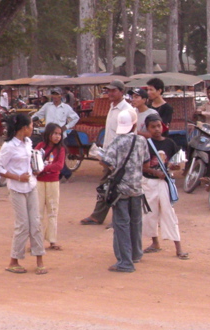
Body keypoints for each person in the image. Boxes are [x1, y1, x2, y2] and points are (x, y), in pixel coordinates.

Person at [0, 113, 46, 274]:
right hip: (16, 188)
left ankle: (39, 259)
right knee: (23, 225)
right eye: (31, 126)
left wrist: (34, 170)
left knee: (35, 223)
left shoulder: (28, 143)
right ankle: (14, 260)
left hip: (30, 186)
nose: (33, 129)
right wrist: (18, 177)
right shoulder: (9, 146)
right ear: (24, 128)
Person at [80, 81, 137, 225]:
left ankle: (116, 218)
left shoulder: (127, 110)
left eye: (113, 91)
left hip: (120, 157)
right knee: (107, 185)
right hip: (109, 154)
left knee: (116, 187)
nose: (110, 94)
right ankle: (99, 215)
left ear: (121, 92)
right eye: (108, 91)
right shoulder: (112, 107)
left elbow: (128, 136)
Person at [100, 109, 148, 272]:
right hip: (137, 187)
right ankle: (136, 254)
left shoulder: (117, 142)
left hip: (120, 189)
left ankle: (125, 262)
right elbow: (146, 161)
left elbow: (106, 161)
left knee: (121, 224)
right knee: (136, 222)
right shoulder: (142, 141)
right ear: (134, 124)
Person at [140, 114, 189, 260]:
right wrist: (155, 172)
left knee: (169, 213)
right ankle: (155, 243)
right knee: (149, 214)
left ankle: (178, 247)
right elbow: (142, 167)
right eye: (153, 127)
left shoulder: (170, 143)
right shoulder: (145, 144)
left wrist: (173, 166)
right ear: (147, 128)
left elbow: (175, 163)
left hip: (164, 183)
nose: (156, 129)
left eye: (158, 126)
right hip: (148, 183)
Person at [36, 122, 66, 252]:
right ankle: (37, 240)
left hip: (53, 182)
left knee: (52, 210)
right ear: (48, 134)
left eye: (59, 134)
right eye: (54, 133)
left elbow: (59, 166)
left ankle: (52, 240)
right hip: (39, 182)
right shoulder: (40, 147)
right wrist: (45, 169)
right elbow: (34, 162)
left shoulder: (61, 149)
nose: (57, 137)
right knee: (38, 212)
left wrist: (43, 168)